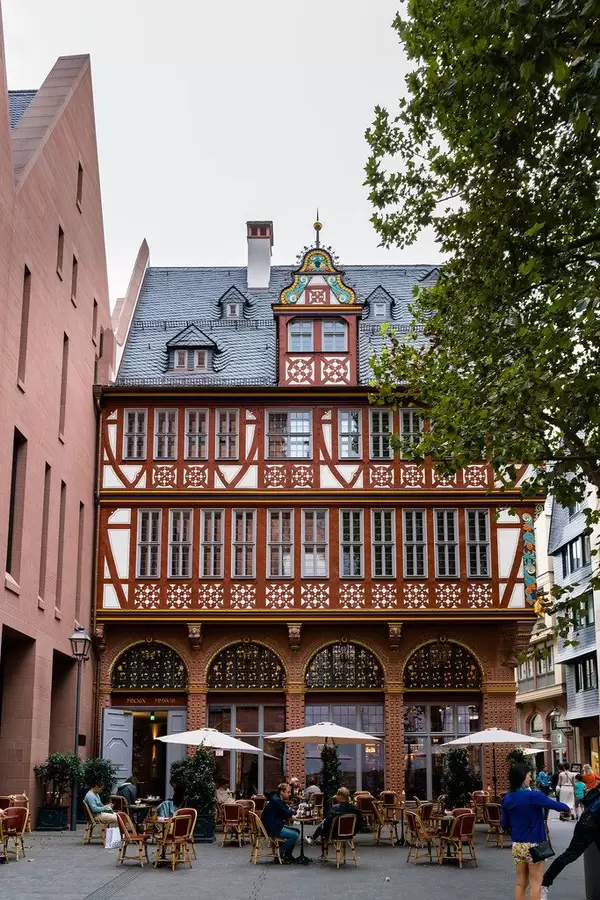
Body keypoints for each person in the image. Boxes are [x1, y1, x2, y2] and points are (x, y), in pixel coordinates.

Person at [501, 763, 569, 900]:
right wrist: (567, 809)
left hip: (517, 845)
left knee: (520, 884)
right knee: (535, 884)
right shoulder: (535, 796)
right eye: (528, 776)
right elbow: (561, 807)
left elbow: (504, 824)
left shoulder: (507, 798)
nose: (530, 779)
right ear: (521, 778)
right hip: (535, 846)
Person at [541, 784, 600, 895]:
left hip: (590, 822)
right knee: (569, 855)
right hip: (588, 825)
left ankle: (544, 882)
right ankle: (544, 883)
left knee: (569, 855)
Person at [261, 783, 299, 864]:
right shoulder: (277, 800)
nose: (290, 794)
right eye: (288, 792)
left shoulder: (277, 799)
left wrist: (291, 812)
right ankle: (281, 853)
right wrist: (293, 813)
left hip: (273, 825)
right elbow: (286, 811)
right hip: (272, 827)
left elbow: (285, 810)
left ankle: (288, 855)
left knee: (297, 831)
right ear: (281, 792)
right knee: (295, 835)